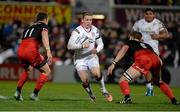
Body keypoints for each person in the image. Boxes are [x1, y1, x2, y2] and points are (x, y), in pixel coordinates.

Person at [107, 31, 179, 105]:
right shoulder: (147, 45)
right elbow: (151, 60)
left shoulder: (130, 41)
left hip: (143, 59)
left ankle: (127, 98)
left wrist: (113, 63)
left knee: (123, 80)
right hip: (157, 59)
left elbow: (124, 49)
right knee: (159, 81)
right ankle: (174, 100)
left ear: (132, 37)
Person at [67, 12, 112, 102]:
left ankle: (104, 90)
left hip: (91, 57)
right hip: (80, 59)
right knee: (85, 80)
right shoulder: (77, 31)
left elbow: (100, 43)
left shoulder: (95, 30)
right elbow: (69, 46)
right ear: (82, 20)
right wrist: (82, 45)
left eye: (90, 20)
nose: (89, 22)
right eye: (87, 19)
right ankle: (91, 95)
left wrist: (97, 50)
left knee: (96, 74)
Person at [132, 7, 171, 96]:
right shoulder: (139, 23)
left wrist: (157, 36)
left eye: (150, 14)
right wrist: (137, 37)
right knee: (146, 70)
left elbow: (166, 34)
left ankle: (155, 88)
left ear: (154, 15)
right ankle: (150, 89)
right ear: (144, 14)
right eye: (147, 13)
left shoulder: (158, 23)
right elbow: (131, 34)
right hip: (142, 51)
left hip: (154, 51)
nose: (149, 15)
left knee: (155, 73)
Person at [14, 12, 52, 101]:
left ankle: (17, 92)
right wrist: (48, 51)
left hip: (20, 49)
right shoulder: (44, 25)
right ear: (45, 19)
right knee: (47, 71)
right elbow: (44, 37)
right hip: (30, 50)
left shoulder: (28, 28)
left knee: (28, 69)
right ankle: (34, 94)